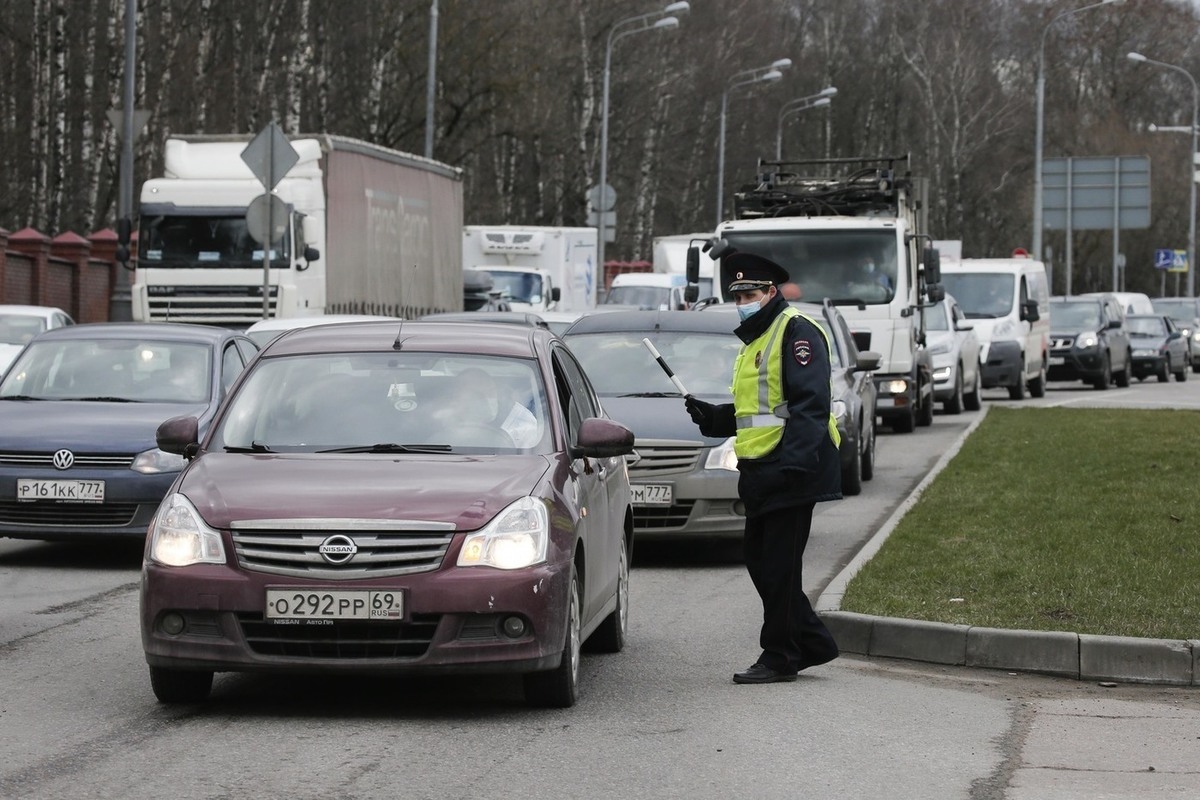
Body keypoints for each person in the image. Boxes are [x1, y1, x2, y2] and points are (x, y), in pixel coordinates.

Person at [684, 252, 842, 684]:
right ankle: (811, 643)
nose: (743, 301)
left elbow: (811, 406)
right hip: (760, 466)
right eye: (738, 295)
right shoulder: (758, 337)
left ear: (772, 293)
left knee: (777, 567)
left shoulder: (796, 332)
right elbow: (760, 409)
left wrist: (794, 464)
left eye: (751, 293)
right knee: (761, 562)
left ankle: (779, 657)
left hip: (790, 467)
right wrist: (716, 417)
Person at [439, 367, 541, 448]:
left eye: (491, 392)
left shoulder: (521, 424)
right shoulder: (442, 420)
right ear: (457, 398)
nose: (487, 400)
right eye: (477, 395)